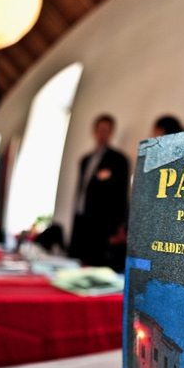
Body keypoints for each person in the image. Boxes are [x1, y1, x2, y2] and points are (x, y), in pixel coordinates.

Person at [69, 114, 129, 268]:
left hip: (102, 223)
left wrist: (120, 226)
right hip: (82, 219)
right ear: (94, 131)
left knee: (97, 262)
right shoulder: (85, 160)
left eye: (106, 130)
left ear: (111, 133)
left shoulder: (118, 160)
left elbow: (121, 194)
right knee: (79, 260)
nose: (103, 134)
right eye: (100, 130)